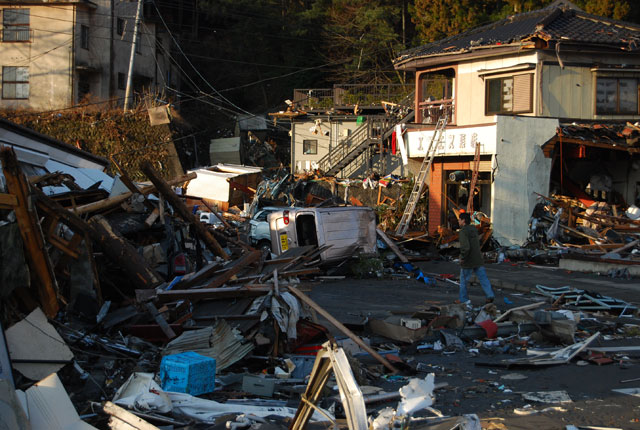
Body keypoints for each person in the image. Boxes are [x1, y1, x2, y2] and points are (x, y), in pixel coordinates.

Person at [457, 212, 495, 305]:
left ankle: (463, 299)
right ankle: (490, 295)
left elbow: (466, 247)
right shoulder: (474, 229)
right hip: (477, 258)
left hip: (468, 260)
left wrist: (462, 257)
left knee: (463, 281)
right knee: (483, 278)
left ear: (463, 221)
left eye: (459, 219)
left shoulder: (463, 231)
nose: (458, 221)